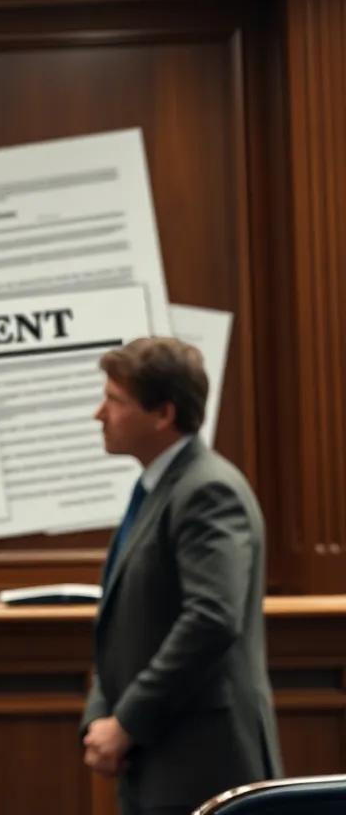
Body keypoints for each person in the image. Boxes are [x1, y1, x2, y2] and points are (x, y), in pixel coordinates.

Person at [80, 336, 283, 815]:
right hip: (159, 750)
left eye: (114, 400)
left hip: (202, 759)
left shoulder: (208, 490)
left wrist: (125, 723)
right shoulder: (159, 488)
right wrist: (101, 718)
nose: (99, 413)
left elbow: (212, 619)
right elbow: (124, 624)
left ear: (162, 414)